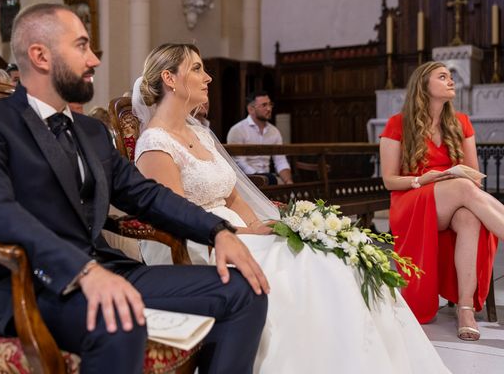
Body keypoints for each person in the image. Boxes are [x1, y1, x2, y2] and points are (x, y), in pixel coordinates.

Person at [0, 3, 268, 374]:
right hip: (32, 285)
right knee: (121, 320)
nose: (95, 60)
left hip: (109, 270)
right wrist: (82, 270)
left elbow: (147, 194)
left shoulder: (92, 133)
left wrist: (217, 231)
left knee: (245, 292)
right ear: (40, 55)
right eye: (82, 46)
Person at [133, 43, 450, 374]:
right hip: (200, 242)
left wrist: (263, 225)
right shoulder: (155, 144)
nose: (208, 77)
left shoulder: (201, 134)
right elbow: (177, 216)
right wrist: (242, 232)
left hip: (236, 228)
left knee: (331, 254)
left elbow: (232, 197)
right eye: (197, 69)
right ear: (169, 78)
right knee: (309, 270)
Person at [380, 61, 503, 340]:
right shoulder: (397, 124)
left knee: (470, 216)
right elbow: (389, 180)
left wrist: (453, 179)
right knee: (461, 187)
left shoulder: (460, 123)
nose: (451, 82)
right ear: (424, 85)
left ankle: (465, 309)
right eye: (443, 77)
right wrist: (423, 179)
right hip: (411, 202)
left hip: (454, 199)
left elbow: (474, 177)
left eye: (451, 78)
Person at [226, 91, 292, 185]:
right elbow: (238, 162)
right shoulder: (237, 130)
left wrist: (288, 182)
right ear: (251, 109)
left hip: (267, 178)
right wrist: (259, 177)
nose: (269, 109)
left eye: (270, 104)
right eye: (264, 105)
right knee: (270, 180)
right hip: (245, 179)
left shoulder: (274, 131)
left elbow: (280, 160)